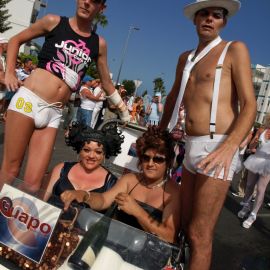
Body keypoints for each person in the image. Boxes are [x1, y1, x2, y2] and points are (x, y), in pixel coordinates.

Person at [159, 1, 257, 269]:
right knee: (184, 226)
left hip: (219, 144)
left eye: (217, 15)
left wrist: (231, 146)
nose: (210, 19)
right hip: (190, 145)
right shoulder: (185, 58)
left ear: (224, 22)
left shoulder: (234, 49)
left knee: (200, 234)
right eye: (204, 13)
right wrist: (159, 133)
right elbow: (171, 98)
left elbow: (250, 105)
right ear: (195, 19)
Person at [1, 0, 129, 192]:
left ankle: (13, 222)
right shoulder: (53, 21)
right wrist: (9, 72)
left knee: (33, 183)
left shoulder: (98, 44)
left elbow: (107, 82)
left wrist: (124, 111)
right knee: (10, 170)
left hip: (54, 112)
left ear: (101, 8)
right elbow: (15, 40)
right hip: (28, 101)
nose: (86, 2)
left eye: (94, 1)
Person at [60, 126, 181, 244]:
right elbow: (103, 200)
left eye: (158, 159)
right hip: (114, 245)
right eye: (146, 157)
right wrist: (84, 195)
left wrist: (138, 211)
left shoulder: (173, 193)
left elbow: (169, 236)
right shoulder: (130, 180)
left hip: (146, 257)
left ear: (169, 161)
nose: (150, 163)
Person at [44, 122, 124, 207]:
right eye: (86, 150)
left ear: (104, 154)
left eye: (98, 152)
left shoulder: (112, 183)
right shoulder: (61, 169)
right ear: (79, 150)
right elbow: (41, 199)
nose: (91, 156)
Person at [237, 114, 270, 229]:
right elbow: (251, 146)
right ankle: (246, 206)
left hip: (268, 163)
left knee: (261, 189)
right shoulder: (262, 129)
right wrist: (254, 143)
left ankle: (253, 215)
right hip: (255, 159)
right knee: (250, 185)